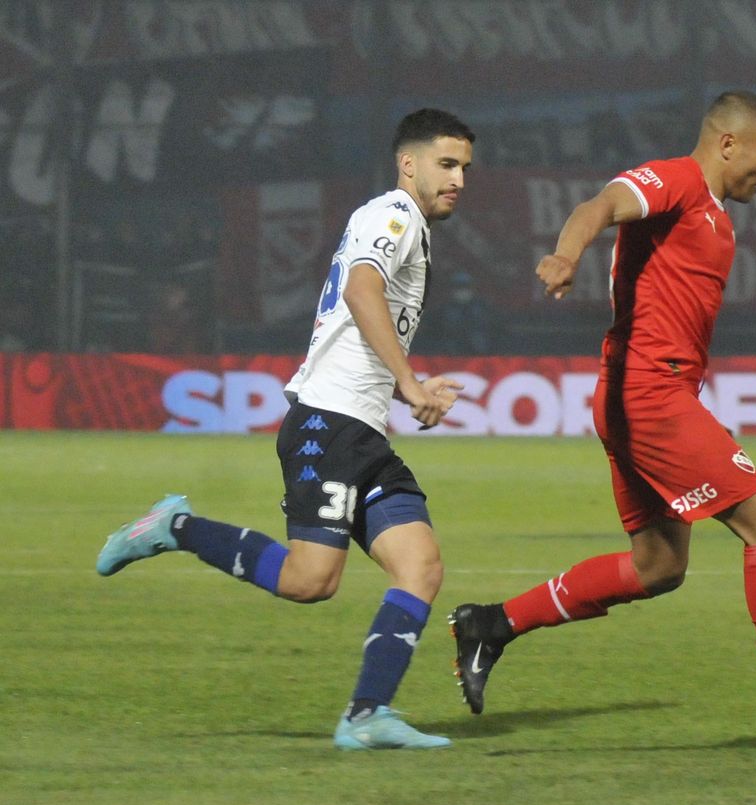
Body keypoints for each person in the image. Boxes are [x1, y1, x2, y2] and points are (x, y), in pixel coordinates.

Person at [449, 92, 756, 759]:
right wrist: (567, 254)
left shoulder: (713, 213)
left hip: (638, 397)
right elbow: (598, 205)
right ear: (726, 144)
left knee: (659, 567)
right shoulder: (678, 182)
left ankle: (492, 625)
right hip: (650, 397)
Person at [97, 108, 475, 751]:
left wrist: (404, 386)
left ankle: (366, 716)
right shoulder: (393, 215)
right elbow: (362, 291)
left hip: (363, 432)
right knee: (310, 581)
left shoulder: (409, 226)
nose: (459, 179)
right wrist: (409, 383)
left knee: (421, 567)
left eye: (465, 167)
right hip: (327, 426)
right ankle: (172, 527)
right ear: (407, 163)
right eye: (446, 164)